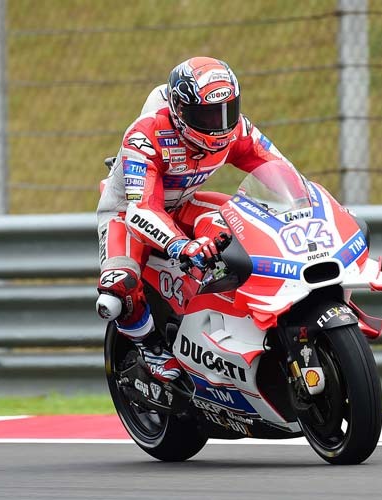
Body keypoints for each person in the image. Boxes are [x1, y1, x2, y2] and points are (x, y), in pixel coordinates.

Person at [95, 56, 289, 383]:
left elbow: (280, 171)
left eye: (227, 110)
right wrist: (180, 245)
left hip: (184, 204)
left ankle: (248, 322)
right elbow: (141, 209)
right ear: (180, 111)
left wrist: (311, 204)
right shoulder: (146, 136)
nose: (220, 124)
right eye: (208, 114)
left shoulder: (238, 128)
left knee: (254, 228)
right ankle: (151, 348)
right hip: (127, 215)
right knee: (117, 289)